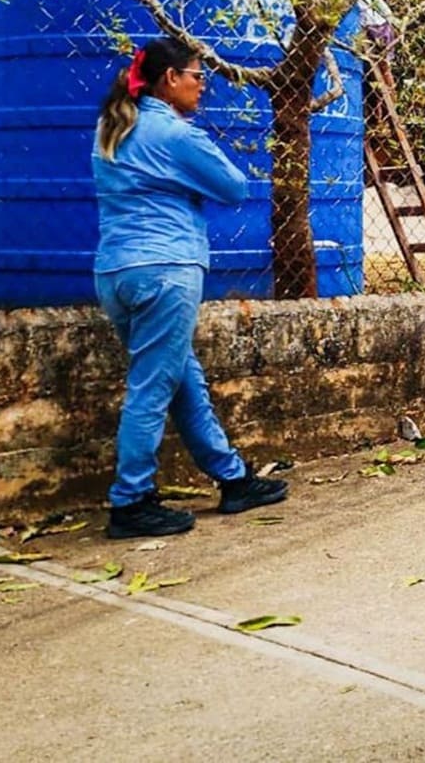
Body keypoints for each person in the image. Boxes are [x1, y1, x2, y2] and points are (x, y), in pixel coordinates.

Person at [92, 37, 288, 539]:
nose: (204, 85)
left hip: (117, 272)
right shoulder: (174, 134)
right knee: (153, 386)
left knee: (181, 379)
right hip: (166, 269)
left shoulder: (112, 129)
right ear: (169, 79)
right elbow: (232, 187)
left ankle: (232, 477)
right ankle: (130, 500)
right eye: (197, 75)